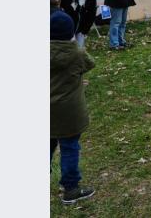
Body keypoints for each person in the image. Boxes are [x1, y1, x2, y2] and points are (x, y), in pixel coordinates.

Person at [50, 11, 96, 205]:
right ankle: (71, 189)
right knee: (69, 148)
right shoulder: (76, 53)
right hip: (69, 112)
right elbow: (89, 64)